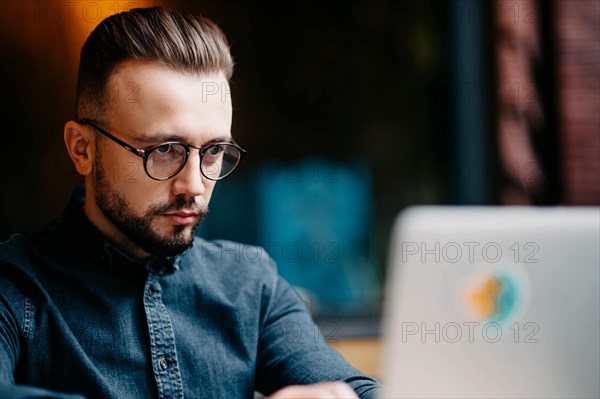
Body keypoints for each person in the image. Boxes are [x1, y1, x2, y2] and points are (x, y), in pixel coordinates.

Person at [0, 5, 381, 399]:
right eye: (164, 149)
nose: (195, 185)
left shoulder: (250, 286)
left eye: (213, 150)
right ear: (82, 149)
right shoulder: (13, 288)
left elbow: (357, 390)